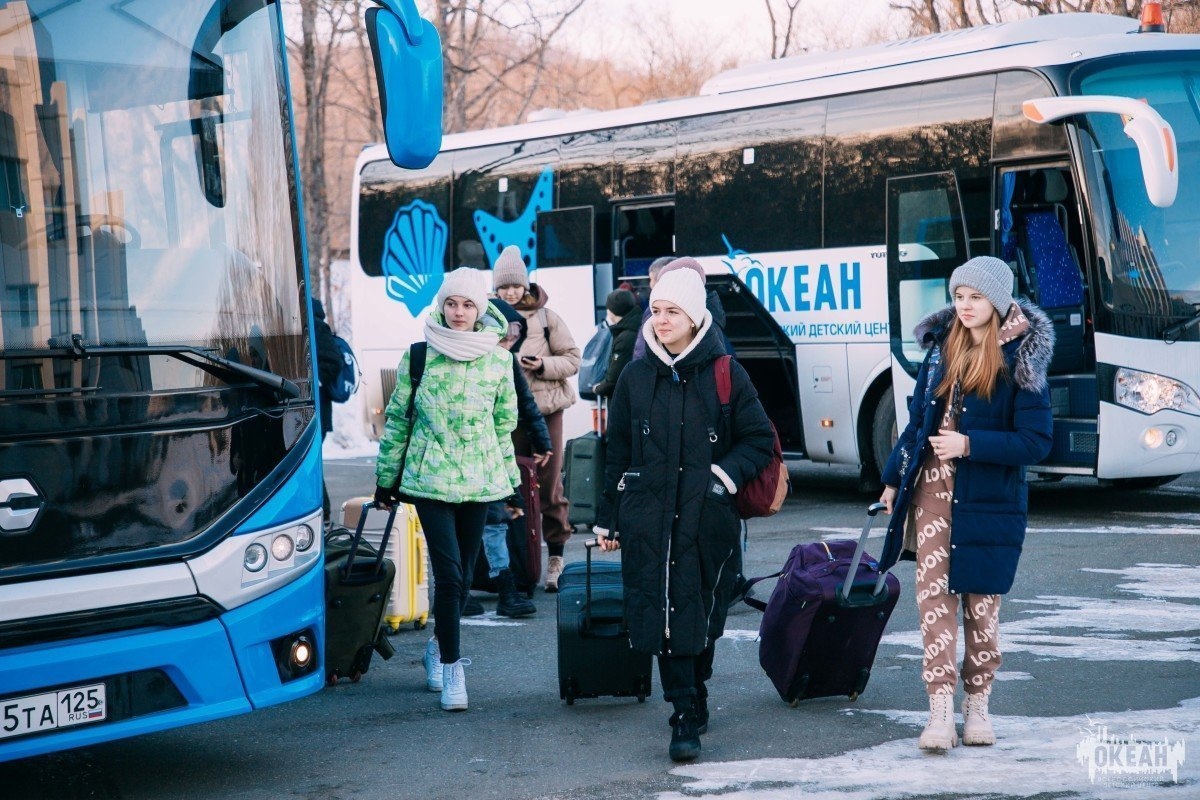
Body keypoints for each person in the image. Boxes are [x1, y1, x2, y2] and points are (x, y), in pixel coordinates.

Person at [593, 268, 774, 763]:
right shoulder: (634, 375)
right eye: (656, 310)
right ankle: (682, 712)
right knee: (663, 613)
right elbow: (618, 452)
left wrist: (722, 479)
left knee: (703, 614)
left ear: (695, 318)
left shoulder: (725, 372)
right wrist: (609, 517)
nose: (663, 319)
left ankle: (698, 690)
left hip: (707, 518)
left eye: (673, 311)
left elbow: (759, 439)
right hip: (648, 517)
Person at [876, 256, 1053, 752]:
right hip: (932, 493)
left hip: (989, 501)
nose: (965, 306)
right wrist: (892, 480)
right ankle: (938, 714)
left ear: (996, 301)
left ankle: (977, 709)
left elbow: (1037, 442)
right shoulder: (940, 349)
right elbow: (916, 425)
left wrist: (970, 444)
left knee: (981, 607)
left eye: (976, 297)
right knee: (934, 607)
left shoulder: (1023, 357)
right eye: (959, 297)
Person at [374, 267, 519, 712]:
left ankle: (438, 646)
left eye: (468, 305)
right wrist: (385, 480)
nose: (459, 312)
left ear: (481, 309)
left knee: (464, 572)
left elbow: (503, 426)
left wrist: (510, 485)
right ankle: (454, 668)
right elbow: (398, 420)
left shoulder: (498, 359)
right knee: (451, 574)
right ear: (441, 305)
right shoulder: (419, 356)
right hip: (430, 479)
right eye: (452, 304)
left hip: (479, 481)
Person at [492, 244, 580, 592]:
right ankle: (522, 560)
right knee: (510, 486)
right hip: (506, 417)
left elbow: (573, 358)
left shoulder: (547, 318)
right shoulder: (487, 316)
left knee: (549, 485)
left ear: (526, 285)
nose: (511, 292)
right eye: (504, 287)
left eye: (516, 286)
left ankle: (555, 557)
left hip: (546, 413)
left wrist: (542, 365)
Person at [464, 297, 549, 619]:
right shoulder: (462, 356)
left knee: (495, 521)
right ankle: (467, 590)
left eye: (515, 330)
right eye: (505, 330)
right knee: (468, 524)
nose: (510, 337)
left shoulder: (503, 361)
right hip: (459, 456)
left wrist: (542, 439)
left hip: (491, 453)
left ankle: (504, 588)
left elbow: (524, 404)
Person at [632, 257, 732, 361]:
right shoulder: (712, 313)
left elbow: (641, 352)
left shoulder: (707, 320)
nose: (661, 320)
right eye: (656, 311)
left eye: (672, 312)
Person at [311, 298, 342, 526]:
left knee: (310, 466)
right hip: (310, 410)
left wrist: (313, 382)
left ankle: (325, 516)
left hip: (316, 410)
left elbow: (332, 362)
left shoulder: (315, 326)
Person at [590, 289, 640, 399]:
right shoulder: (636, 326)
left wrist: (599, 388)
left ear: (612, 311)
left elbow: (614, 378)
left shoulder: (625, 338)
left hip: (624, 400)